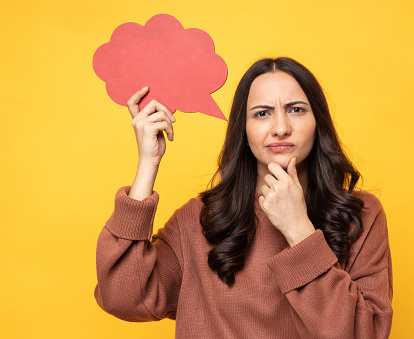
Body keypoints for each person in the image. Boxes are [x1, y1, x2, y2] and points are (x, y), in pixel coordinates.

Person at [94, 57, 393, 338]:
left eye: (296, 110)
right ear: (244, 130)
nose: (280, 128)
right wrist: (148, 163)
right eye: (262, 113)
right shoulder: (199, 219)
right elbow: (123, 297)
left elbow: (363, 332)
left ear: (319, 123)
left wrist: (298, 230)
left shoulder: (361, 215)